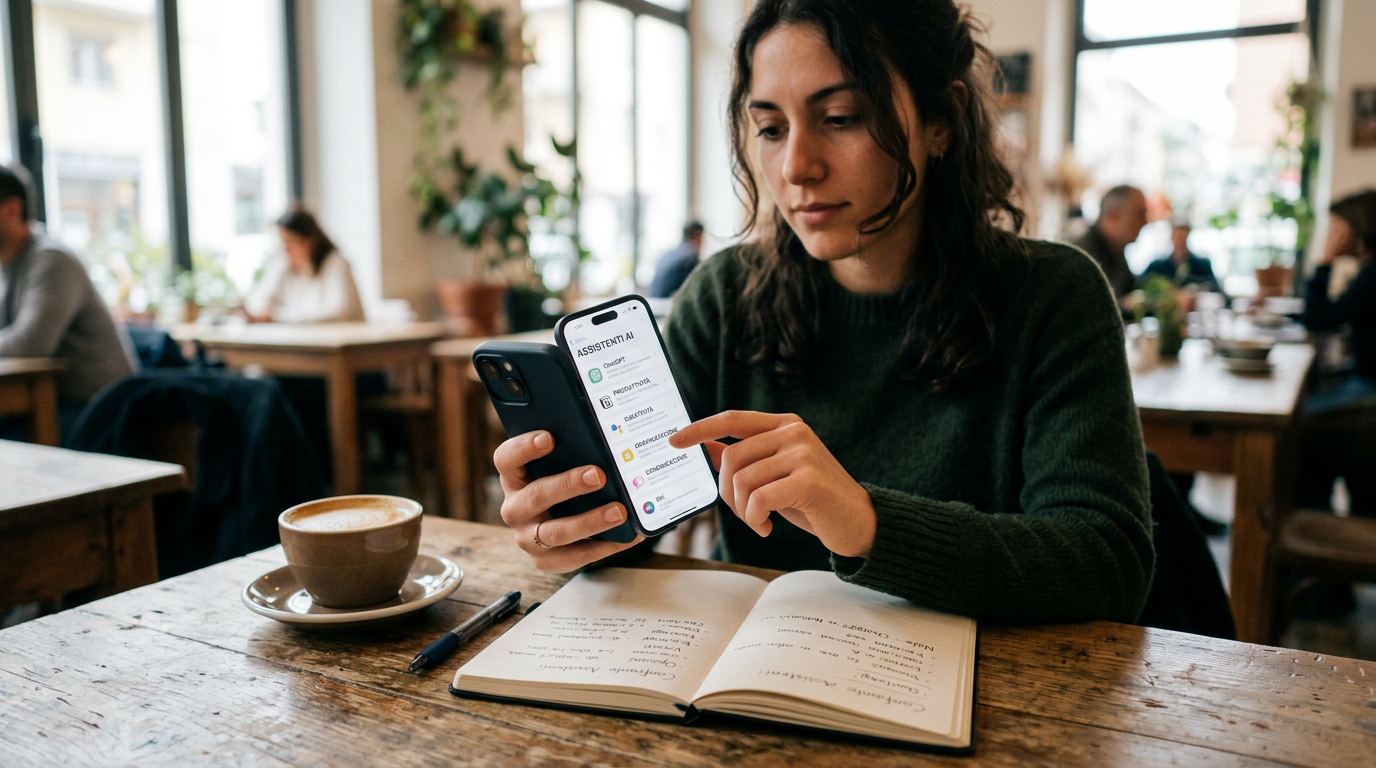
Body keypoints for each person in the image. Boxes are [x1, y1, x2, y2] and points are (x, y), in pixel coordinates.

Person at [492, 0, 1154, 624]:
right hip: (750, 691)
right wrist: (580, 523)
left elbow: (1107, 563)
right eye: (771, 128)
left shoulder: (1054, 296)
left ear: (941, 122)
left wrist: (866, 523)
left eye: (840, 118)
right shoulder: (722, 300)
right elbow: (648, 517)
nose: (796, 166)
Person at [0, 164, 135, 423]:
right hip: (47, 406)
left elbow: (30, 344)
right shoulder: (7, 265)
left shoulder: (52, 260)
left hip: (99, 409)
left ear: (12, 210)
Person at [243, 209, 365, 323]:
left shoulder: (336, 264)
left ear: (310, 241)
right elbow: (257, 302)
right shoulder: (285, 265)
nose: (285, 250)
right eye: (282, 243)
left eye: (289, 242)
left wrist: (278, 315)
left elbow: (338, 310)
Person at [1074, 185, 1148, 301]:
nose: (1145, 222)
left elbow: (1131, 290)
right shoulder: (1084, 256)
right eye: (1139, 214)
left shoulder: (1116, 250)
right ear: (1112, 215)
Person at [1141, 223, 1221, 293]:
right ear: (1171, 236)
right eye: (1177, 236)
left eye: (1183, 236)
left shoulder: (1202, 265)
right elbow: (1140, 284)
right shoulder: (1157, 266)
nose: (1180, 241)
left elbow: (1214, 288)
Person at [648, 221, 706, 298]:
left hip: (655, 301)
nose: (704, 241)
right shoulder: (690, 258)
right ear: (697, 236)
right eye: (702, 237)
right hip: (668, 303)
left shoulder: (671, 253)